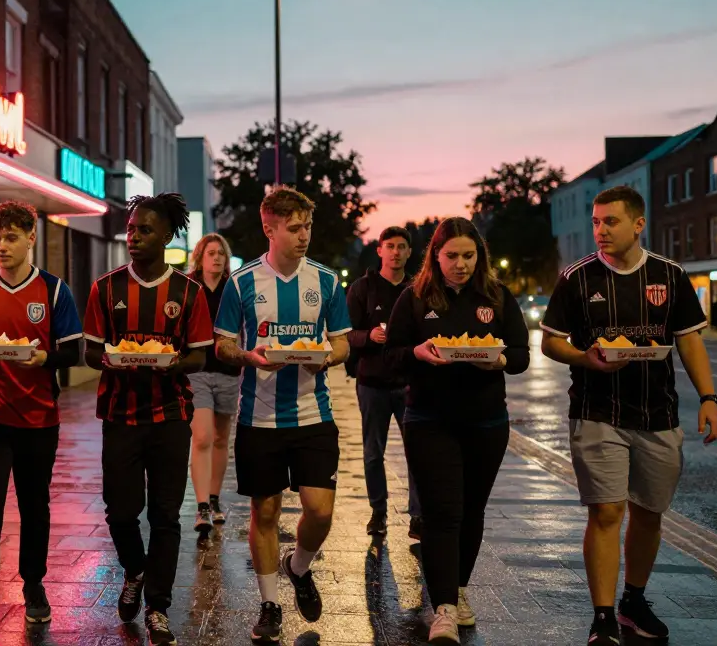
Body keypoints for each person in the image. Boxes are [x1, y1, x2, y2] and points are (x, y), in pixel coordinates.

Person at [539, 186, 717, 646]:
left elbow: (689, 340)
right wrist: (587, 357)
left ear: (638, 224)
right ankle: (602, 616)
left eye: (610, 222)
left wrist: (709, 398)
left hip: (658, 414)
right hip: (597, 411)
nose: (600, 230)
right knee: (606, 511)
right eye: (596, 222)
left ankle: (633, 601)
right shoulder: (577, 278)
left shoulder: (670, 275)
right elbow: (551, 342)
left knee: (649, 512)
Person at [212, 186, 351, 644]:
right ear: (268, 228)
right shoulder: (242, 282)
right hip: (259, 418)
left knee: (320, 511)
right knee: (265, 511)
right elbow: (223, 344)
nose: (304, 235)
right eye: (294, 228)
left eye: (308, 226)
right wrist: (248, 356)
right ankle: (269, 604)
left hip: (314, 415)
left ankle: (300, 567)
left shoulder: (327, 282)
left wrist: (327, 357)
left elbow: (344, 342)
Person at [383, 217, 529, 645]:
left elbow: (519, 354)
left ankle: (459, 589)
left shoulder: (498, 297)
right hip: (429, 419)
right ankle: (443, 608)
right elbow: (391, 356)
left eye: (469, 255)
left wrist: (497, 361)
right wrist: (417, 352)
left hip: (486, 421)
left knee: (471, 512)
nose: (461, 264)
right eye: (452, 256)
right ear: (436, 256)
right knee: (441, 513)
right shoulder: (415, 298)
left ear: (479, 255)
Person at [0, 202, 83, 646]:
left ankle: (33, 584)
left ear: (31, 238)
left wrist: (44, 356)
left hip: (38, 420)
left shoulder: (54, 291)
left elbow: (73, 352)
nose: (2, 247)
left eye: (11, 238)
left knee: (34, 508)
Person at [84, 194, 213, 645]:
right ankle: (135, 569)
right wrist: (112, 360)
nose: (134, 236)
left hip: (170, 416)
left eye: (144, 230)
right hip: (119, 415)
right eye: (132, 228)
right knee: (120, 511)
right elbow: (91, 351)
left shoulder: (188, 293)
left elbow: (199, 355)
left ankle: (158, 607)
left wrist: (171, 363)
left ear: (166, 236)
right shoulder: (105, 289)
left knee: (165, 514)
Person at [346, 226, 421, 539]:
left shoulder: (417, 289)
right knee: (372, 451)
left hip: (408, 384)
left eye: (402, 246)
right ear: (379, 250)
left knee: (416, 451)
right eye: (389, 246)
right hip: (372, 383)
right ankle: (378, 511)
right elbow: (343, 333)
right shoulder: (363, 287)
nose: (395, 252)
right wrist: (368, 336)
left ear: (408, 252)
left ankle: (418, 516)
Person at [185, 233, 241, 534]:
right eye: (211, 253)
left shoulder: (233, 287)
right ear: (200, 257)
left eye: (221, 253)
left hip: (229, 371)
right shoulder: (189, 287)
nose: (217, 257)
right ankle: (202, 505)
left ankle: (216, 499)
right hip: (198, 371)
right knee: (203, 437)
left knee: (221, 439)